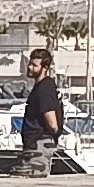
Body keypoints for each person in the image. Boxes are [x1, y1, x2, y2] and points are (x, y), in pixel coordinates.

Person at [17, 48, 69, 176]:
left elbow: (52, 123)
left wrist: (49, 136)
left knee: (34, 179)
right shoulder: (41, 86)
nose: (30, 67)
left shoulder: (44, 89)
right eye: (30, 64)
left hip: (39, 146)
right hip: (34, 145)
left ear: (45, 68)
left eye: (34, 65)